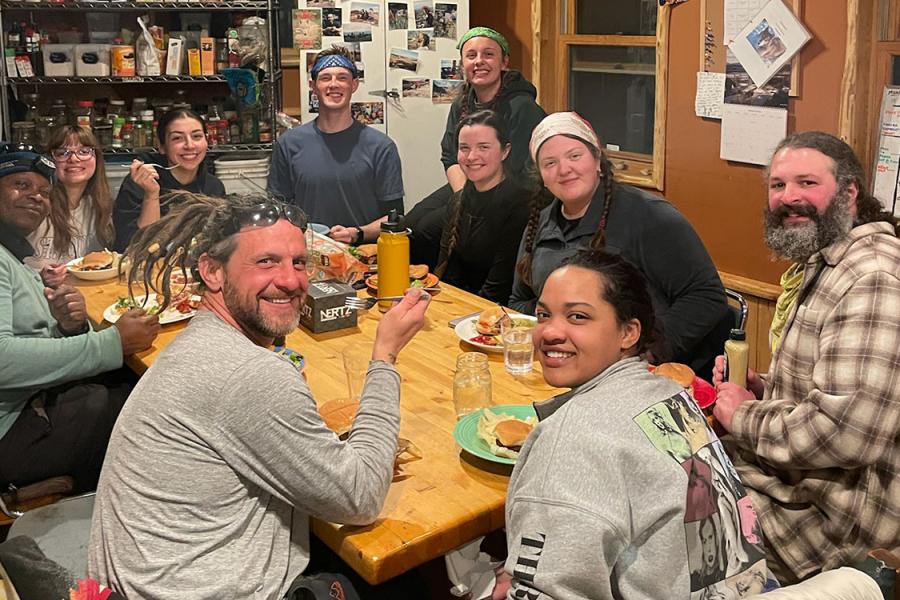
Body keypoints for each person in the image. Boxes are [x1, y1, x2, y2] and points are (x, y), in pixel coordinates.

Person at [88, 192, 431, 599]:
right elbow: (360, 495)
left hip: (139, 581)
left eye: (298, 262)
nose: (290, 280)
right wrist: (385, 357)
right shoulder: (249, 374)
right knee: (415, 574)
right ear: (212, 272)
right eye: (266, 262)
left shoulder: (198, 342)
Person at [496, 250, 770, 599]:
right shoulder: (671, 394)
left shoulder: (573, 436)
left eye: (578, 317)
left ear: (629, 332)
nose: (550, 332)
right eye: (543, 315)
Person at [713, 131, 900, 583]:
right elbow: (828, 394)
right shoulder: (828, 261)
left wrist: (744, 416)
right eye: (778, 185)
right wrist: (762, 388)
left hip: (825, 530)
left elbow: (847, 432)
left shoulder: (873, 276)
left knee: (658, 519)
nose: (788, 198)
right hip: (787, 490)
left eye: (807, 183)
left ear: (850, 192)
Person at [511, 111, 730, 376]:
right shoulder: (539, 224)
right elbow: (519, 301)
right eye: (550, 163)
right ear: (542, 177)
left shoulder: (650, 216)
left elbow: (706, 296)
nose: (564, 169)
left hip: (641, 374)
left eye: (574, 156)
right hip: (565, 369)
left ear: (598, 160)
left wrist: (645, 352)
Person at [0, 144, 159, 494]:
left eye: (43, 191)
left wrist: (67, 325)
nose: (37, 197)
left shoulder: (13, 252)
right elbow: (3, 361)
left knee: (127, 384)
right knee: (148, 411)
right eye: (21, 185)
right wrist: (111, 342)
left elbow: (27, 336)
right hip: (11, 430)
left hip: (29, 403)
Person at [403, 26, 546, 267]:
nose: (479, 61)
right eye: (471, 55)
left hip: (513, 195)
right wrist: (461, 197)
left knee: (431, 230)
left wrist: (472, 209)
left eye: (488, 54)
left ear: (504, 63)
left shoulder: (523, 108)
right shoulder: (461, 104)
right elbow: (449, 155)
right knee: (411, 226)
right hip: (470, 185)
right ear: (462, 65)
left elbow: (524, 173)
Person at [268, 46, 404, 243]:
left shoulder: (381, 147)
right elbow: (278, 210)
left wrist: (357, 233)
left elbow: (395, 216)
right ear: (312, 85)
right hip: (306, 257)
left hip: (363, 259)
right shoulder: (289, 144)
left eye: (342, 77)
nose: (334, 85)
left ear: (354, 84)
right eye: (325, 78)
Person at [433, 110, 528, 303]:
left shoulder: (521, 205)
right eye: (464, 148)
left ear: (505, 151)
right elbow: (448, 272)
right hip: (461, 307)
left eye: (483, 147)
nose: (471, 157)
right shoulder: (458, 200)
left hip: (497, 313)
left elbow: (499, 287)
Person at [112, 108, 225, 251]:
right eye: (177, 138)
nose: (189, 145)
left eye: (196, 136)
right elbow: (134, 248)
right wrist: (151, 195)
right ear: (162, 146)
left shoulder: (213, 187)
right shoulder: (140, 182)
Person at [26, 125, 114, 288]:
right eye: (62, 153)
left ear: (97, 158)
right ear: (50, 161)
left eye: (84, 151)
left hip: (88, 294)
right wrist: (40, 277)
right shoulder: (35, 204)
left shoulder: (101, 205)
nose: (74, 159)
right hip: (39, 295)